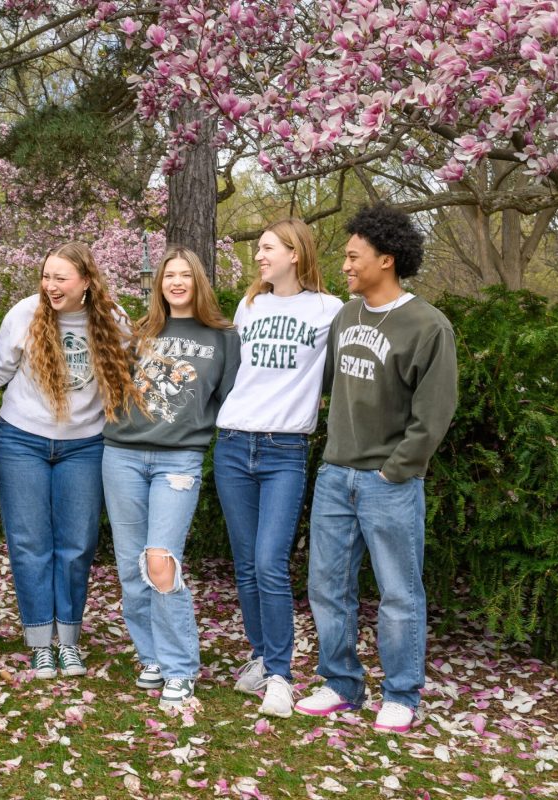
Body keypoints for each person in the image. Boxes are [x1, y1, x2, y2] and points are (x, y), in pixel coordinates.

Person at [293, 204, 457, 734]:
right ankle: (341, 684)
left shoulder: (427, 326)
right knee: (327, 586)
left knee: (399, 592)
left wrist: (396, 469)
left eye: (353, 256)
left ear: (386, 260)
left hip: (389, 483)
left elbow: (434, 413)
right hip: (336, 474)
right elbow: (331, 390)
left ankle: (402, 694)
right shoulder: (346, 316)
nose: (344, 265)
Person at [0, 241, 137, 680]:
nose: (50, 286)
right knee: (31, 543)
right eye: (46, 276)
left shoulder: (112, 319)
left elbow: (135, 370)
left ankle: (67, 641)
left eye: (60, 278)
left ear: (86, 282)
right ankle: (39, 643)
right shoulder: (25, 313)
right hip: (22, 442)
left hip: (85, 446)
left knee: (76, 545)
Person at [213, 219, 343, 718]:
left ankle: (282, 676)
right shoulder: (250, 306)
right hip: (233, 444)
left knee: (270, 562)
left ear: (295, 252)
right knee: (246, 564)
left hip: (285, 449)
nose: (259, 257)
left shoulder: (329, 310)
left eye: (267, 248)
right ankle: (261, 657)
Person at [102, 247, 239, 710]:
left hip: (178, 461)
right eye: (169, 275)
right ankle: (152, 657)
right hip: (122, 455)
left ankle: (181, 668)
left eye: (185, 275)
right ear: (158, 283)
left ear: (198, 282)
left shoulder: (223, 338)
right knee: (131, 570)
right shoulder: (139, 333)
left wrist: (191, 429)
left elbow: (228, 398)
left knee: (161, 563)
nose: (176, 282)